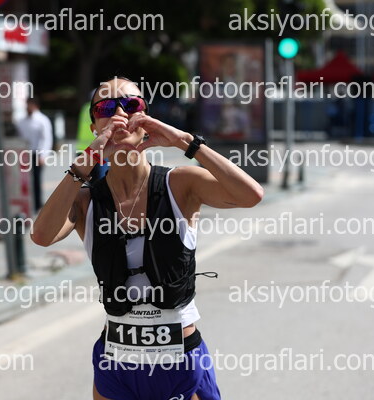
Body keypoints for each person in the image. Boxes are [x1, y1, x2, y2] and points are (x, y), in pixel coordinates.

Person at [31, 77, 264, 400]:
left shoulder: (180, 184)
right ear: (94, 125)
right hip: (117, 363)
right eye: (106, 108)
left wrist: (185, 142)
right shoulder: (87, 201)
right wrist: (83, 166)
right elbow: (41, 235)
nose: (119, 114)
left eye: (131, 105)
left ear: (146, 119)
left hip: (179, 361)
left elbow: (250, 195)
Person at [17, 97, 53, 212]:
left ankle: (37, 204)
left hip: (37, 153)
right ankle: (27, 203)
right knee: (24, 180)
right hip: (25, 153)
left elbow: (47, 138)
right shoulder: (22, 121)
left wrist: (43, 155)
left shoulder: (42, 120)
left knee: (36, 179)